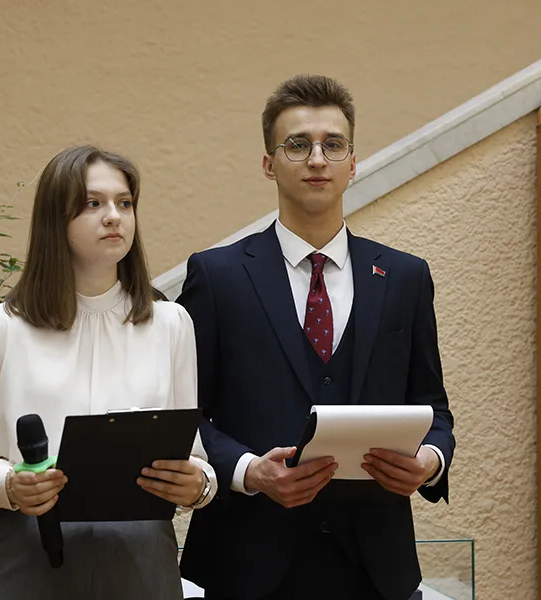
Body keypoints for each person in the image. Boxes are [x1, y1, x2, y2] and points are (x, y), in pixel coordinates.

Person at [176, 74, 455, 600]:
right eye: (298, 145)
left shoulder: (405, 277)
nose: (317, 159)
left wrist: (429, 461)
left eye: (333, 145)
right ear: (269, 163)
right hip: (246, 561)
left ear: (354, 162)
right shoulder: (216, 276)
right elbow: (186, 411)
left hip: (377, 568)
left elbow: (432, 405)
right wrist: (249, 472)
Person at [0, 145, 217, 600]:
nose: (114, 217)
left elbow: (193, 455)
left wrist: (199, 484)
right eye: (92, 203)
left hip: (141, 556)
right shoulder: (0, 328)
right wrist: (9, 485)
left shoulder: (170, 325)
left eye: (125, 203)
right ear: (55, 220)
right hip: (28, 551)